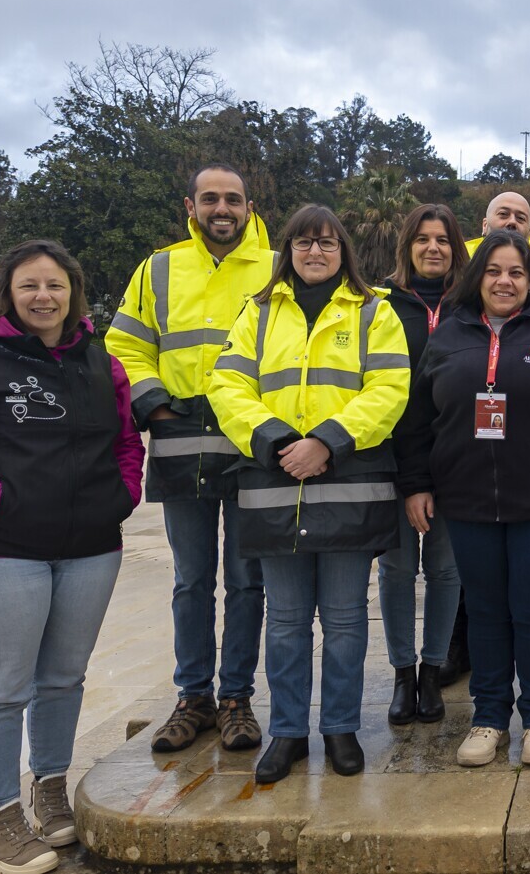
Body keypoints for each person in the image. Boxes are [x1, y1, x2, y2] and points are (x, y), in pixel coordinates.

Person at [0, 240, 144, 874]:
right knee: (0, 690)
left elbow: (126, 442)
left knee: (63, 679)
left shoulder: (103, 365)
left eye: (55, 285)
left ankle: (50, 788)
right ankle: (1, 821)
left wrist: (122, 496)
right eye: (29, 286)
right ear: (6, 296)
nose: (44, 296)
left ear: (73, 292)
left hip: (90, 551)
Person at [398, 230, 530, 768]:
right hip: (467, 500)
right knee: (487, 611)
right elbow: (418, 419)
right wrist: (417, 483)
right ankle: (489, 717)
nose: (505, 281)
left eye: (516, 272)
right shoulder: (449, 335)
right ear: (478, 276)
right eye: (494, 271)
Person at [208, 204, 410, 783]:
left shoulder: (374, 311)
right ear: (288, 251)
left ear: (343, 251)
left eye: (326, 243)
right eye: (303, 243)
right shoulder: (258, 312)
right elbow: (227, 384)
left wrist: (327, 442)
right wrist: (276, 441)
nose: (315, 252)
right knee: (286, 622)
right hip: (277, 486)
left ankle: (341, 728)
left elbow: (390, 388)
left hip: (348, 485)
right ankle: (289, 733)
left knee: (345, 621)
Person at [106, 164, 273, 755]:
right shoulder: (158, 268)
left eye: (232, 199)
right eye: (210, 199)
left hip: (251, 446)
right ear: (190, 205)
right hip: (179, 440)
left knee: (248, 580)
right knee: (191, 579)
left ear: (249, 207)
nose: (221, 208)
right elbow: (125, 345)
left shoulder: (276, 268)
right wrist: (153, 404)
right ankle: (193, 696)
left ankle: (236, 698)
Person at [439, 190, 530, 686]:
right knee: (472, 591)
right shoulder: (455, 309)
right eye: (502, 214)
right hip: (466, 480)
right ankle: (462, 663)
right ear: (483, 225)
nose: (511, 221)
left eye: (521, 216)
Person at [379, 204, 468, 724]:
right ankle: (402, 673)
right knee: (395, 569)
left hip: (455, 463)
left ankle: (433, 671)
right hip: (392, 462)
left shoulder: (471, 306)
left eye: (443, 239)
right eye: (422, 239)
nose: (433, 248)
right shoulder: (380, 306)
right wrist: (412, 479)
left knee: (445, 570)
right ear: (407, 246)